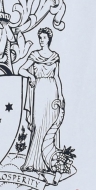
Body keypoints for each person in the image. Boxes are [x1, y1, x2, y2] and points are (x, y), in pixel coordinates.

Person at [20, 28, 64, 182]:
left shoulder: (55, 56)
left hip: (51, 91)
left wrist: (61, 95)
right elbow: (21, 69)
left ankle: (50, 160)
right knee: (39, 125)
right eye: (40, 37)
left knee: (51, 125)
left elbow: (57, 77)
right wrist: (31, 75)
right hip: (39, 91)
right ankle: (36, 162)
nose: (41, 40)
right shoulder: (34, 55)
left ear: (49, 39)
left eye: (44, 37)